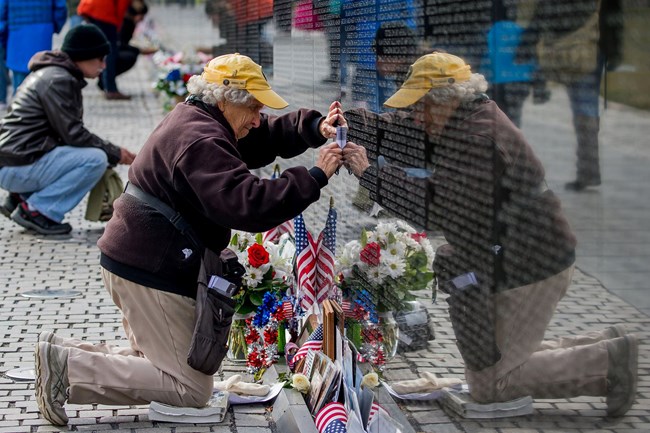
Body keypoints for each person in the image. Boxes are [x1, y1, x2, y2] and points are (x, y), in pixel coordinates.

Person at [32, 52, 344, 426]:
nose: (258, 119)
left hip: (140, 259)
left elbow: (259, 137)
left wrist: (314, 128)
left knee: (162, 365)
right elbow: (249, 203)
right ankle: (67, 368)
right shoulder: (202, 139)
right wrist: (315, 176)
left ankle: (62, 355)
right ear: (228, 99)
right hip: (149, 268)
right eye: (255, 108)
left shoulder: (202, 118)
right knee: (188, 389)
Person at [341, 52, 638, 416]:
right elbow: (404, 132)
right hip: (517, 254)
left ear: (446, 98)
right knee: (499, 362)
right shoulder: (464, 117)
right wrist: (349, 124)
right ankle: (601, 352)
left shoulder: (477, 138)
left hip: (530, 265)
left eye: (421, 107)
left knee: (493, 384)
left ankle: (607, 359)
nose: (416, 116)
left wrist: (371, 175)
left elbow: (437, 207)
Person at [0, 24, 136, 234]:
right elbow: (74, 135)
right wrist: (115, 152)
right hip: (16, 164)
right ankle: (38, 211)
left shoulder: (55, 73)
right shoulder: (59, 79)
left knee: (90, 155)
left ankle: (20, 198)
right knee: (94, 159)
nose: (103, 64)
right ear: (83, 56)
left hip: (15, 160)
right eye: (99, 58)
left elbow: (66, 133)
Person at [517, 0, 624, 191]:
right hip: (593, 43)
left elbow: (544, 10)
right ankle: (588, 170)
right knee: (587, 105)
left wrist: (528, 41)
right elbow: (614, 15)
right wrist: (615, 51)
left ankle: (587, 171)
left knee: (583, 106)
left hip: (566, 45)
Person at [0, 0, 67, 92]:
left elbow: (2, 13)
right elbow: (60, 8)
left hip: (17, 35)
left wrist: (3, 38)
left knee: (20, 86)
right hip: (42, 33)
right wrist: (53, 27)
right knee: (42, 78)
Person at [77, 0, 133, 100]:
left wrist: (83, 7)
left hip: (90, 7)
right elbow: (122, 4)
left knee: (97, 47)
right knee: (110, 51)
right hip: (104, 12)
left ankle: (104, 84)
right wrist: (118, 25)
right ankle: (110, 89)